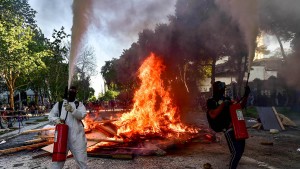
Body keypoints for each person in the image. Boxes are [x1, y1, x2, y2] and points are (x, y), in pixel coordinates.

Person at [206, 81, 250, 169]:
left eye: (223, 88)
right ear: (216, 89)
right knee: (236, 152)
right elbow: (213, 115)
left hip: (237, 128)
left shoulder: (227, 99)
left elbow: (239, 106)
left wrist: (246, 96)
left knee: (240, 151)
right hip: (227, 129)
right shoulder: (211, 101)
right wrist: (223, 104)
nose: (223, 90)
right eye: (221, 88)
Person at [48, 86, 88, 169]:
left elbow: (82, 115)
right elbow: (51, 116)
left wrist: (73, 110)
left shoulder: (78, 104)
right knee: (57, 162)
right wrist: (57, 120)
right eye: (70, 90)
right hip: (62, 139)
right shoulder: (59, 104)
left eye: (74, 90)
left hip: (77, 138)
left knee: (82, 162)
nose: (72, 92)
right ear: (66, 92)